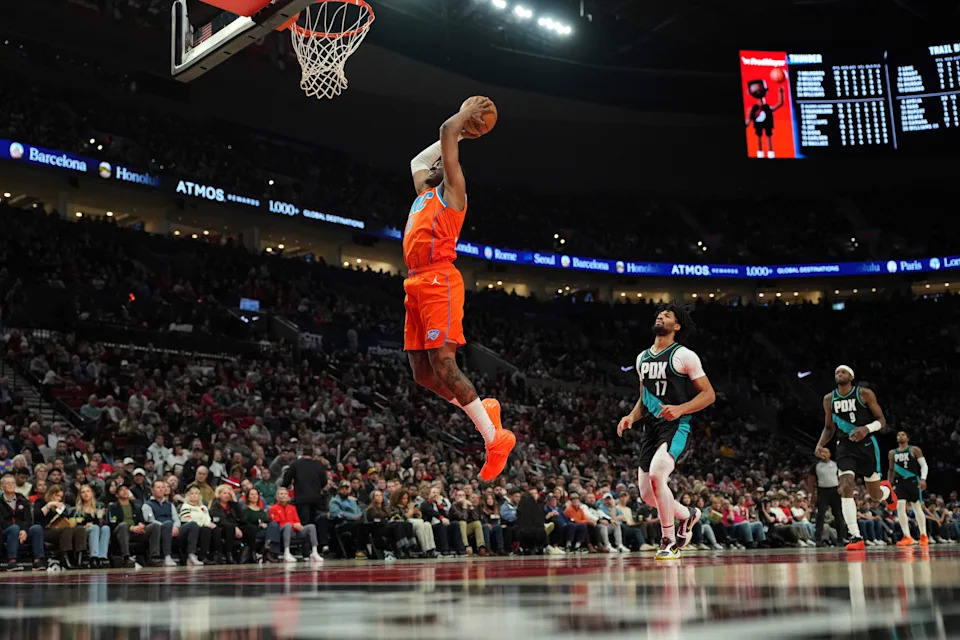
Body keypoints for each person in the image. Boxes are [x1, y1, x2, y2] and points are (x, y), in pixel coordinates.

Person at [403, 97, 515, 482]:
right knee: (421, 372)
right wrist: (458, 134)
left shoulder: (454, 194)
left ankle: (494, 437)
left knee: (445, 364)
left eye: (443, 163)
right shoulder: (422, 195)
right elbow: (419, 161)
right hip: (414, 282)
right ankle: (485, 412)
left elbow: (445, 132)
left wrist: (463, 125)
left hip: (439, 279)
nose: (436, 165)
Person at [617, 305, 716, 560]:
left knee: (658, 475)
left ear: (677, 326)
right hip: (651, 428)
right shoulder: (642, 358)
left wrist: (681, 409)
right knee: (648, 495)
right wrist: (631, 416)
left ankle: (668, 539)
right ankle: (687, 514)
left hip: (676, 425)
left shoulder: (684, 355)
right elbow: (644, 396)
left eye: (667, 315)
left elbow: (708, 395)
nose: (660, 316)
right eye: (659, 314)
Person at [814, 365, 897, 551]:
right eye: (836, 372)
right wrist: (820, 444)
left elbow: (882, 420)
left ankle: (887, 492)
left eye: (842, 371)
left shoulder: (865, 394)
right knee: (846, 486)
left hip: (867, 446)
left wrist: (866, 429)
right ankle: (855, 536)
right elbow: (829, 428)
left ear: (851, 376)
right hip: (844, 447)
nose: (838, 374)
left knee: (875, 495)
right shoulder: (829, 399)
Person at [889, 431, 929, 547]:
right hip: (900, 482)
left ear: (908, 437)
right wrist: (889, 484)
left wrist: (923, 479)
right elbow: (891, 470)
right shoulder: (892, 453)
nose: (900, 436)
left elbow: (924, 465)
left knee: (917, 507)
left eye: (903, 434)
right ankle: (907, 536)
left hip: (913, 480)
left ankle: (923, 535)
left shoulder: (914, 450)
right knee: (900, 508)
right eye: (898, 435)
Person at [35, 484, 88, 569]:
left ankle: (79, 560)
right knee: (66, 530)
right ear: (51, 494)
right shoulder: (41, 501)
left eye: (60, 496)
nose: (58, 498)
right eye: (57, 495)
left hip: (60, 529)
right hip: (45, 530)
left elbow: (65, 517)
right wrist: (49, 505)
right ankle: (65, 560)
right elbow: (37, 517)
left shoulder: (61, 505)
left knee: (79, 530)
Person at [108, 485, 162, 568]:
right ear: (117, 495)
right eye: (121, 490)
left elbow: (142, 520)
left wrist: (141, 525)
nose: (125, 491)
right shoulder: (113, 507)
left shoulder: (136, 506)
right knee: (123, 525)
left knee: (155, 526)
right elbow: (113, 523)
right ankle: (126, 557)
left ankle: (153, 557)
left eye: (126, 489)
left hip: (136, 532)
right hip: (121, 532)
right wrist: (131, 528)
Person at [0, 473, 45, 570]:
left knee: (37, 528)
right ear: (2, 486)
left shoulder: (22, 500)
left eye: (12, 483)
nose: (11, 485)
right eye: (8, 483)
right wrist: (17, 530)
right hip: (5, 532)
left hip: (22, 532)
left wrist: (24, 530)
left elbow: (28, 519)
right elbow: (2, 521)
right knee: (14, 528)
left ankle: (38, 560)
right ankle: (12, 561)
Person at [268, 487, 323, 563]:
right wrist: (293, 524)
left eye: (285, 494)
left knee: (311, 526)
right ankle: (286, 553)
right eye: (281, 494)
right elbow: (276, 523)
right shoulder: (273, 509)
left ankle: (314, 552)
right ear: (277, 497)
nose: (283, 496)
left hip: (294, 532)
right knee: (287, 526)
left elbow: (297, 521)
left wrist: (298, 526)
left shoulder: (292, 508)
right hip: (281, 533)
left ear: (288, 496)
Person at [280, 448, 329, 528]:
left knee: (304, 523)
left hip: (301, 498)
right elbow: (324, 482)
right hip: (315, 498)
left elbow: (287, 479)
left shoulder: (296, 464)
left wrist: (283, 488)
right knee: (313, 522)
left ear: (302, 453)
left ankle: (305, 539)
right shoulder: (318, 465)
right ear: (312, 454)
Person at [210, 485, 257, 564]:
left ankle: (252, 553)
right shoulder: (215, 504)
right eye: (224, 493)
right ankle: (229, 554)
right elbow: (220, 520)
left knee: (250, 528)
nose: (227, 495)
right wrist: (235, 528)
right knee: (230, 527)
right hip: (222, 528)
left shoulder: (232, 504)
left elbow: (242, 518)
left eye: (229, 493)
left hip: (236, 526)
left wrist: (235, 500)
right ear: (219, 494)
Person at [808, 448, 846, 545]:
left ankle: (841, 538)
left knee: (838, 515)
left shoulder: (835, 464)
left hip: (835, 490)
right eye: (822, 452)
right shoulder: (816, 466)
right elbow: (811, 480)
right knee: (821, 515)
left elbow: (841, 476)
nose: (823, 454)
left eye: (825, 452)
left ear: (830, 454)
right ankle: (818, 539)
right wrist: (812, 494)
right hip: (822, 491)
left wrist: (841, 486)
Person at [142, 479, 183, 566]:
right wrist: (168, 527)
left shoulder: (170, 504)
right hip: (158, 529)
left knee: (192, 525)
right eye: (158, 487)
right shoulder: (147, 505)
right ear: (152, 490)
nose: (161, 489)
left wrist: (175, 527)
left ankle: (192, 556)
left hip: (172, 528)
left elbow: (176, 519)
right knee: (167, 524)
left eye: (163, 487)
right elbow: (150, 520)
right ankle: (167, 556)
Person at [389, 488, 436, 558]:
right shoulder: (394, 508)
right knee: (420, 523)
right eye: (403, 498)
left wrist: (417, 514)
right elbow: (397, 519)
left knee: (427, 524)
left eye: (406, 498)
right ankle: (425, 549)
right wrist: (408, 514)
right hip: (405, 526)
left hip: (414, 525)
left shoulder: (408, 506)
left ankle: (431, 549)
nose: (405, 500)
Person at [328, 480, 368, 559]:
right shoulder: (334, 501)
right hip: (343, 523)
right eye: (342, 489)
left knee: (366, 525)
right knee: (359, 525)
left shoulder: (352, 501)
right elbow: (336, 513)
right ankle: (360, 550)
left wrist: (359, 516)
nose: (344, 491)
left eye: (346, 489)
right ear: (339, 490)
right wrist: (353, 517)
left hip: (356, 522)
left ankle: (366, 550)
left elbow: (358, 511)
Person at [178, 486, 216, 565]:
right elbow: (186, 519)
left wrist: (207, 525)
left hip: (200, 528)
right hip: (187, 528)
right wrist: (202, 525)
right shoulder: (185, 506)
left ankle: (206, 556)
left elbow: (207, 519)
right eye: (191, 494)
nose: (194, 495)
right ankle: (191, 555)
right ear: (187, 496)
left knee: (210, 529)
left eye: (196, 493)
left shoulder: (203, 508)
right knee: (194, 525)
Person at [75, 484, 110, 568]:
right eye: (83, 492)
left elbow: (104, 524)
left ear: (92, 493)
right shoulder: (77, 510)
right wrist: (85, 526)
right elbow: (74, 526)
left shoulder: (99, 506)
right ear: (80, 495)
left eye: (88, 491)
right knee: (94, 528)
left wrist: (101, 518)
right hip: (84, 532)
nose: (85, 494)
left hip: (98, 530)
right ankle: (94, 557)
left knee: (106, 528)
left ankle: (102, 557)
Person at [242, 487, 281, 562]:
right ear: (248, 497)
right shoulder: (246, 510)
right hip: (254, 531)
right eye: (252, 494)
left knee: (274, 524)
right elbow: (245, 523)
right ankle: (270, 551)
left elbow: (267, 521)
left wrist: (265, 524)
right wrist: (258, 525)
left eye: (256, 494)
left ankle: (268, 546)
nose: (254, 496)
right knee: (274, 531)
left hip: (265, 531)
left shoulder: (262, 511)